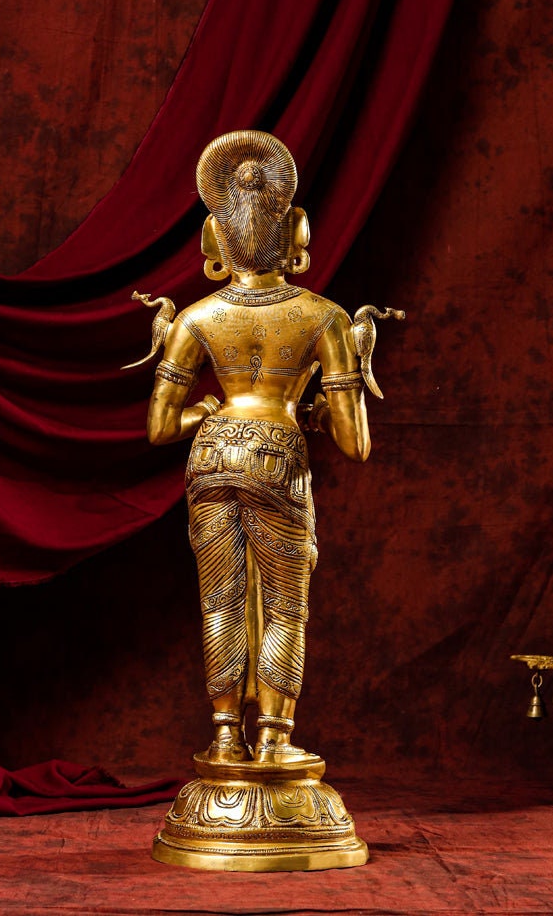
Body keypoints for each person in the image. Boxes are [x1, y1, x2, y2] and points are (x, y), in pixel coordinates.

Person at [144, 130, 370, 764]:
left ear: (215, 240)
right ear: (296, 233)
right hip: (278, 459)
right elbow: (355, 444)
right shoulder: (324, 317)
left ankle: (224, 734)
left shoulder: (196, 318)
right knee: (283, 603)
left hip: (212, 457)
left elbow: (160, 427)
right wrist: (333, 394)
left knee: (220, 598)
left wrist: (206, 411)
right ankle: (273, 738)